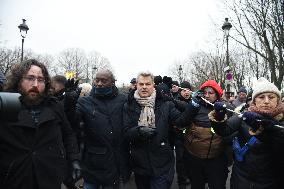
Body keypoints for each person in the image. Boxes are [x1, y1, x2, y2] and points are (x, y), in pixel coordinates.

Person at [0, 59, 80, 189]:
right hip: (14, 179)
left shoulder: (54, 106)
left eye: (40, 79)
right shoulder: (5, 106)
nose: (35, 84)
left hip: (49, 178)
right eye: (30, 78)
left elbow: (68, 134)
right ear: (18, 80)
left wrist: (74, 159)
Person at [210, 77, 284, 189]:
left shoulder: (281, 121)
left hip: (271, 182)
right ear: (254, 100)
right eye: (261, 97)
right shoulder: (245, 116)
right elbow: (224, 130)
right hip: (241, 179)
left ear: (278, 100)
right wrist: (219, 117)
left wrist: (272, 129)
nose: (266, 101)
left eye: (271, 97)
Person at [123, 71, 190, 189]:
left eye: (147, 84)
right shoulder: (129, 105)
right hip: (140, 164)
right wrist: (138, 131)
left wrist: (193, 108)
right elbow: (126, 132)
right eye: (141, 84)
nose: (144, 87)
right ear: (136, 85)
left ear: (153, 85)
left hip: (162, 163)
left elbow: (181, 121)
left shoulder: (165, 103)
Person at [72, 70, 130, 189]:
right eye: (97, 80)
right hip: (92, 162)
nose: (99, 83)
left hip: (115, 162)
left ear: (112, 82)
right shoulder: (84, 101)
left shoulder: (123, 99)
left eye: (103, 81)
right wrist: (68, 103)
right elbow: (72, 121)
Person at [182, 80, 231, 189]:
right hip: (195, 158)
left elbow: (229, 132)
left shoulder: (226, 109)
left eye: (211, 93)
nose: (207, 95)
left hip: (216, 159)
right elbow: (183, 122)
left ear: (217, 94)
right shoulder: (195, 107)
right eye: (205, 92)